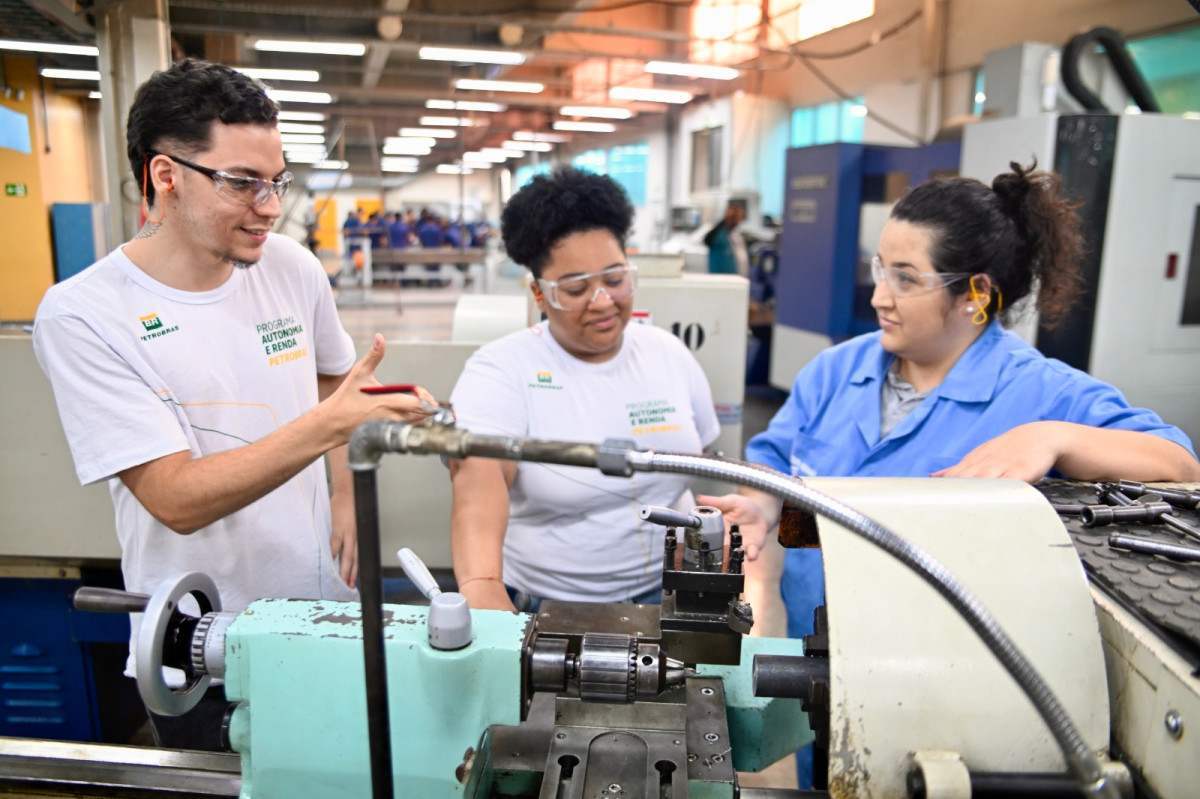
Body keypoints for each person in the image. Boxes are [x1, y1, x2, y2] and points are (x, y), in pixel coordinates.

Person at [702, 162, 1199, 785]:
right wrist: (764, 502)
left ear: (977, 294)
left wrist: (1054, 436)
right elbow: (775, 458)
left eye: (905, 278)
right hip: (803, 663)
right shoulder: (837, 371)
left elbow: (1177, 463)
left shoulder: (1036, 391)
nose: (879, 295)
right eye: (880, 268)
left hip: (922, 691)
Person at [32, 59, 432, 750]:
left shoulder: (291, 268)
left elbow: (331, 383)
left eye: (276, 181)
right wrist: (326, 426)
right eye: (243, 183)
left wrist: (342, 488)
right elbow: (176, 496)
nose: (271, 207)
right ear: (166, 176)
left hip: (321, 623)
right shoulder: (85, 315)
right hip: (200, 642)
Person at [448, 167, 721, 613]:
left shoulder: (667, 353)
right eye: (576, 289)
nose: (603, 302)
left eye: (614, 279)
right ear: (539, 294)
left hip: (671, 595)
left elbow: (708, 466)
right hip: (550, 606)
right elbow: (479, 478)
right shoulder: (501, 369)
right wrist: (482, 588)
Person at [703, 202, 748, 275]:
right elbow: (707, 240)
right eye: (737, 217)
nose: (739, 221)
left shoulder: (733, 233)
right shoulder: (720, 235)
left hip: (734, 278)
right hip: (723, 278)